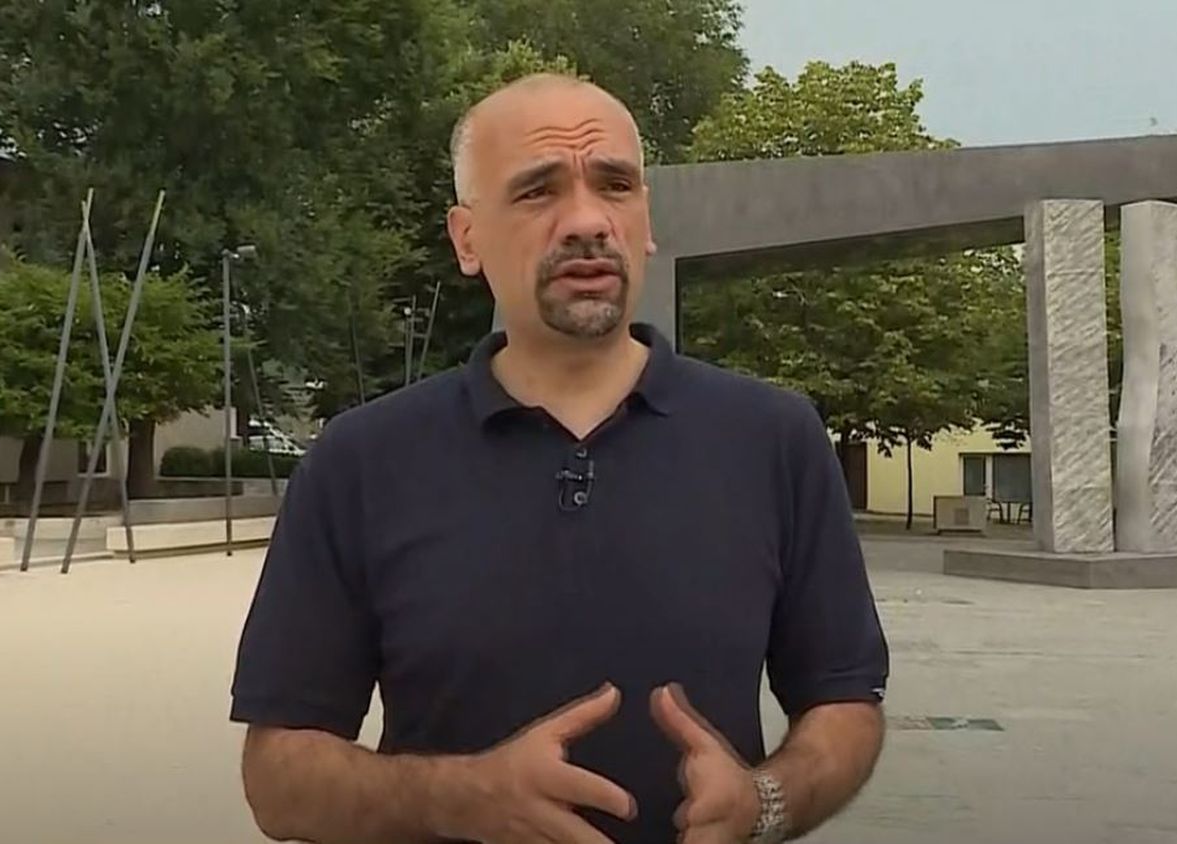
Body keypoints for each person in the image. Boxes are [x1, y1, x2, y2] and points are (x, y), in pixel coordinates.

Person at [228, 74, 889, 844]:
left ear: (645, 221)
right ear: (467, 239)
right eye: (538, 191)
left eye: (615, 185)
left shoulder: (774, 439)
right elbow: (277, 779)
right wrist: (460, 798)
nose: (586, 221)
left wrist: (764, 801)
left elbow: (846, 703)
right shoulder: (360, 462)